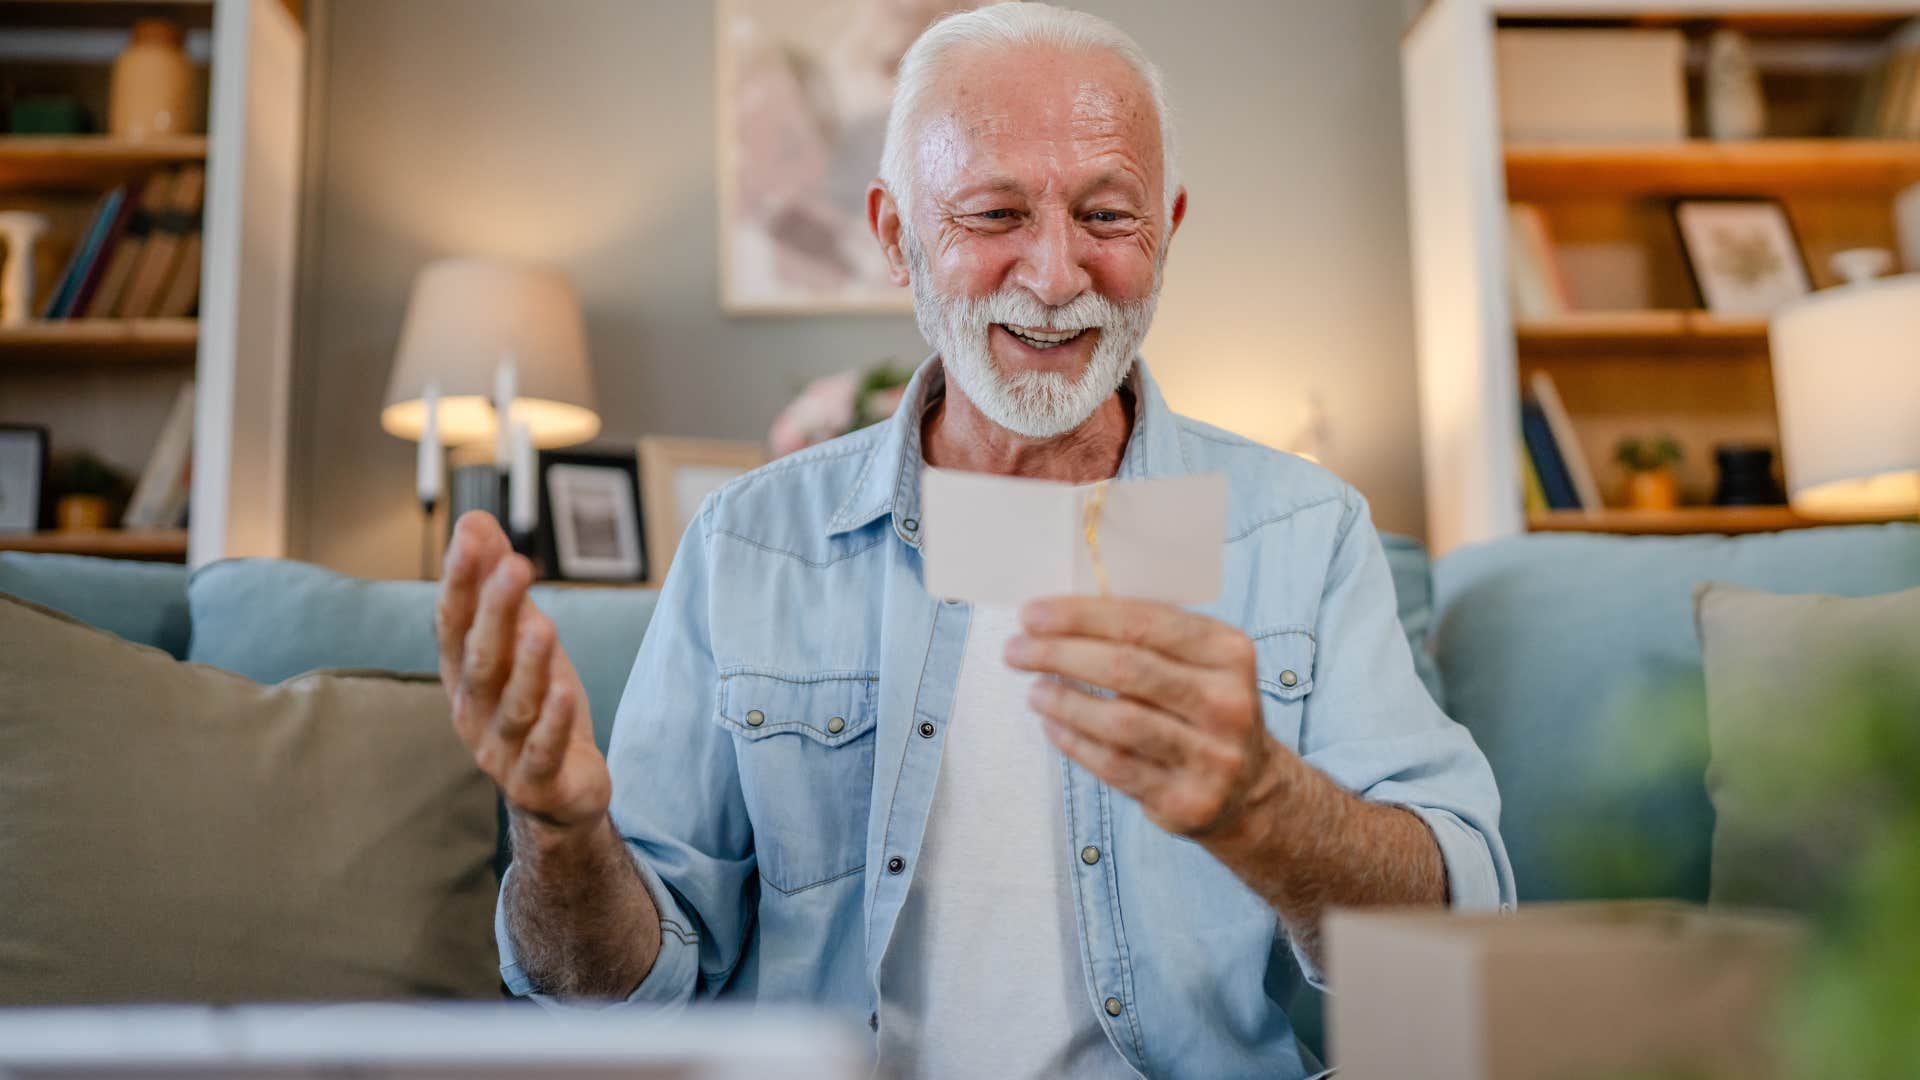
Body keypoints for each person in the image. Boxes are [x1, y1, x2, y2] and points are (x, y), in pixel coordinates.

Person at [436, 5, 1514, 1078]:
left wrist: (1268, 807)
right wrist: (562, 835)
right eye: (995, 214)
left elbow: (1460, 934)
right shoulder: (753, 544)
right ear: (896, 235)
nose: (1054, 276)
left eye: (1107, 216)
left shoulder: (1299, 531)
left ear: (1169, 229)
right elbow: (620, 995)